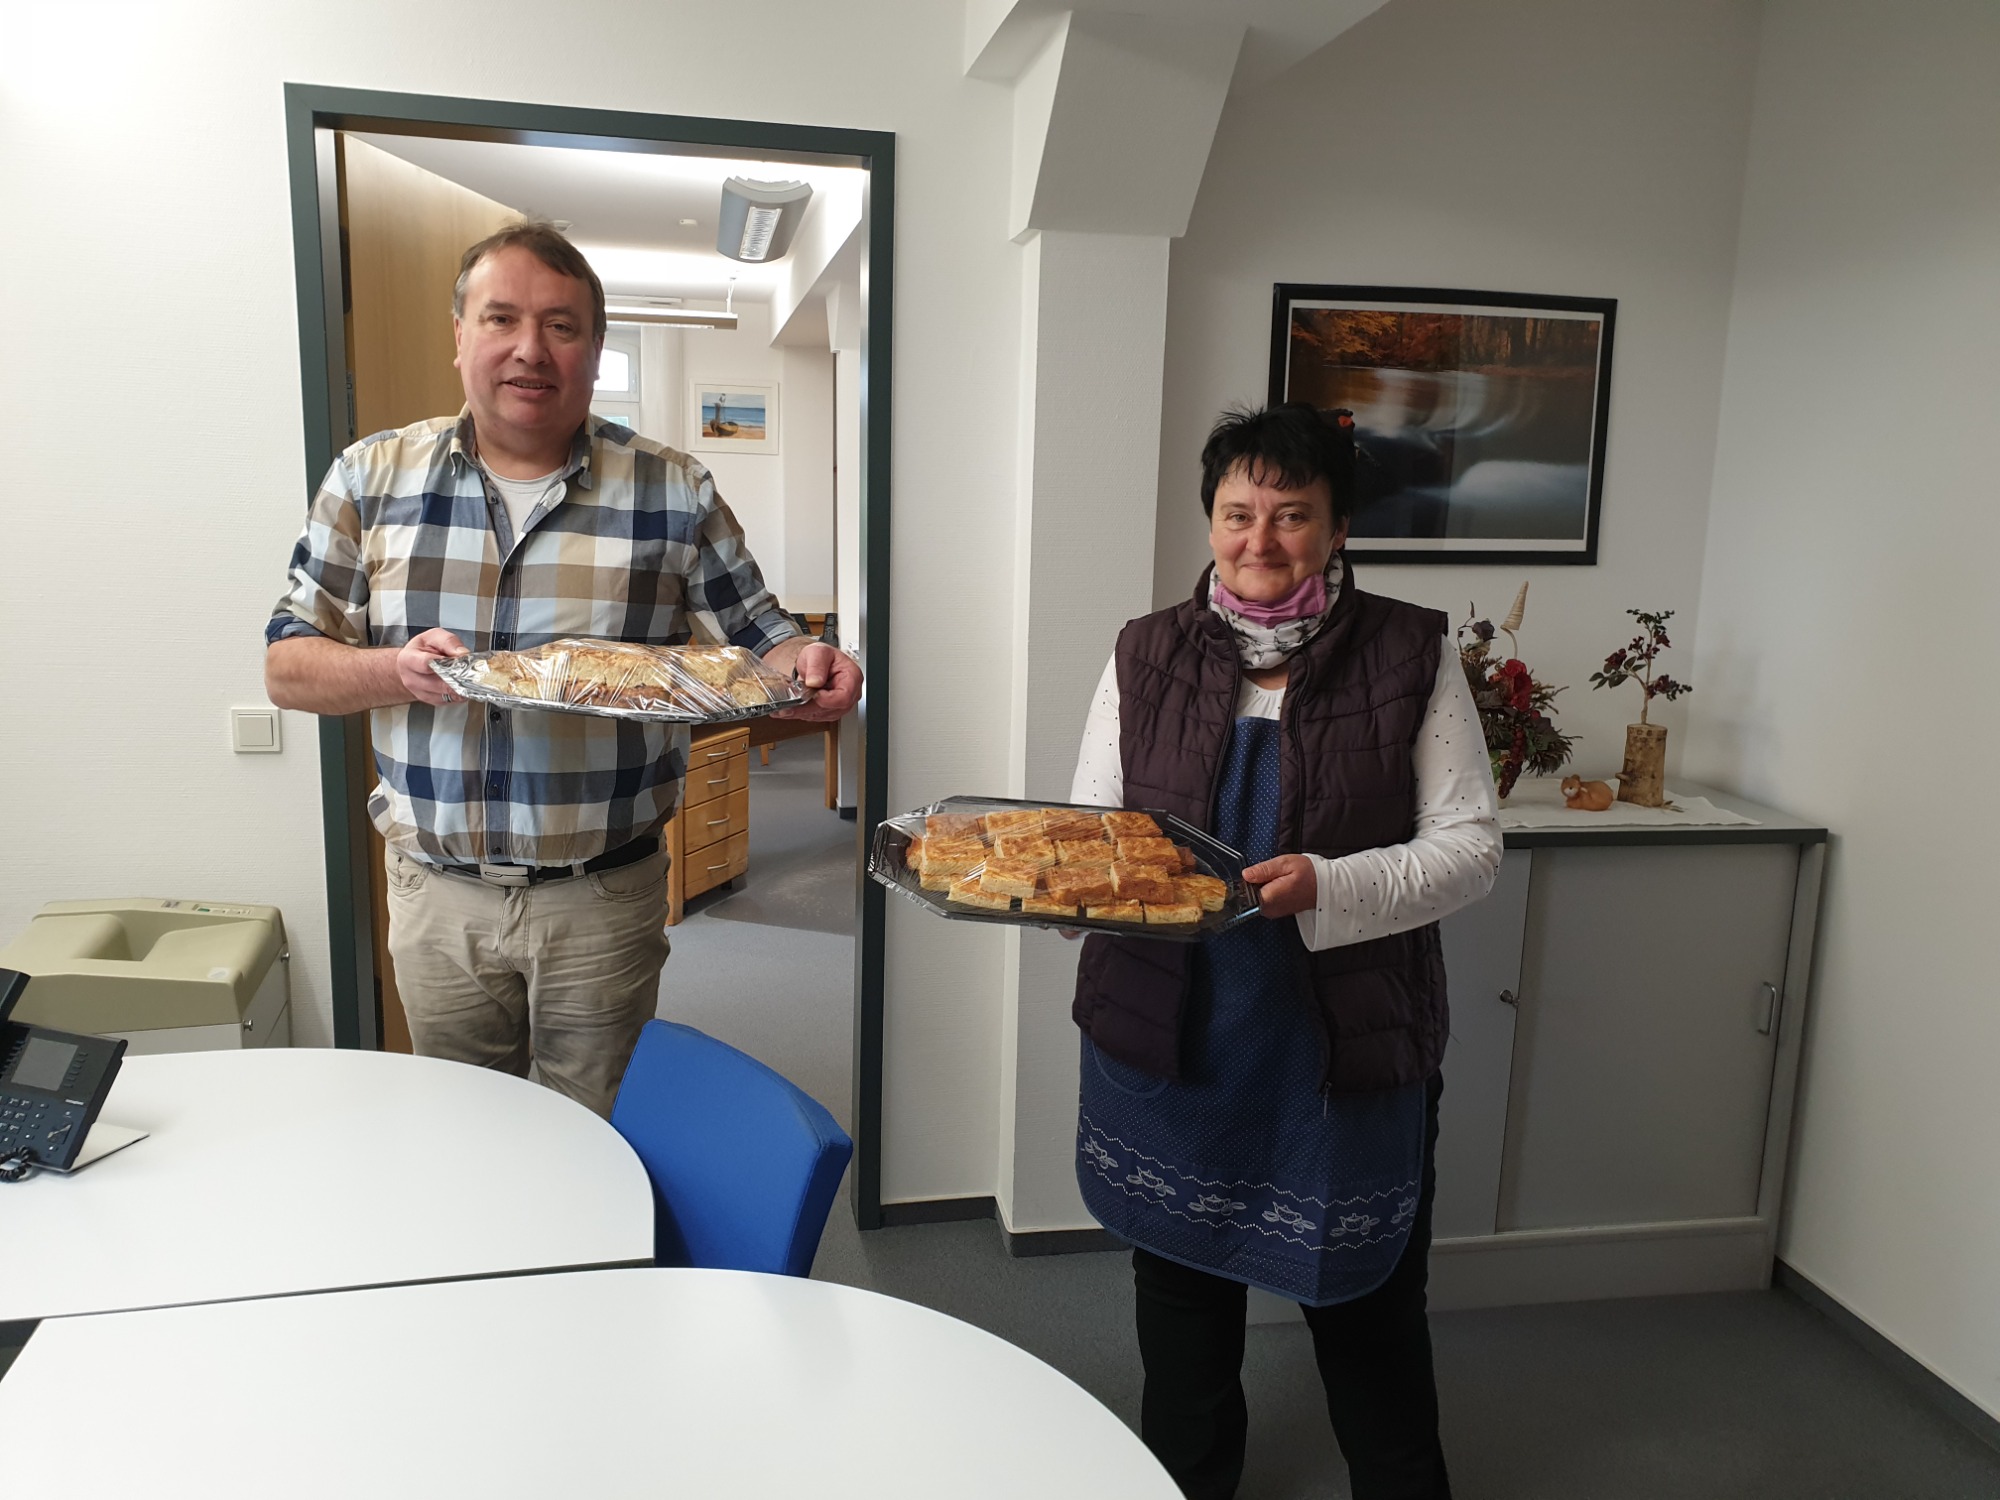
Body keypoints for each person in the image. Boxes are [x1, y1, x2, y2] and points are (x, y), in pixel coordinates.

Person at [265, 220, 860, 1117]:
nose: (530, 349)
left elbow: (761, 634)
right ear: (459, 335)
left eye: (561, 325)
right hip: (438, 895)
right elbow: (288, 665)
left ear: (595, 346)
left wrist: (806, 663)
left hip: (604, 893)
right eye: (501, 318)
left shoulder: (672, 490)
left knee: (596, 1130)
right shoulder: (370, 479)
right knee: (465, 1129)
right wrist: (397, 672)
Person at [1068, 403, 1500, 1499]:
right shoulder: (1145, 651)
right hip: (1173, 1037)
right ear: (1209, 520)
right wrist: (1070, 896)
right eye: (1236, 514)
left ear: (1338, 527)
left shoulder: (1408, 652)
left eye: (1291, 515)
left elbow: (1469, 850)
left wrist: (1328, 884)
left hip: (1338, 1049)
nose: (1259, 540)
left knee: (1367, 1318)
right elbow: (1097, 832)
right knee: (1181, 1314)